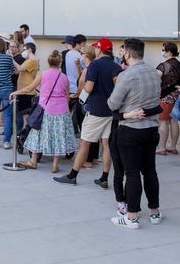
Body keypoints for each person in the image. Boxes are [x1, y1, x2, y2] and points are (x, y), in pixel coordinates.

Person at [107, 38, 162, 229]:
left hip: (131, 129)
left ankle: (132, 217)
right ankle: (154, 212)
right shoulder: (155, 73)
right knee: (149, 170)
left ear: (128, 54)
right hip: (152, 129)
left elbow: (112, 103)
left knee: (131, 173)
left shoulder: (127, 75)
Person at [53, 38, 122, 187]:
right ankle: (104, 178)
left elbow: (89, 87)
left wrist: (81, 97)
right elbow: (118, 88)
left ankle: (72, 176)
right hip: (111, 110)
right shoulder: (116, 66)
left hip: (96, 110)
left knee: (84, 142)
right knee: (106, 144)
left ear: (100, 50)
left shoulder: (95, 65)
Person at [13, 51, 76, 172]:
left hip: (46, 109)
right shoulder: (64, 77)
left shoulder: (43, 74)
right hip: (62, 110)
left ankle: (33, 161)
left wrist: (16, 92)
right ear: (60, 63)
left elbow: (30, 88)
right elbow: (67, 96)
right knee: (59, 136)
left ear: (48, 62)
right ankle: (54, 165)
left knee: (38, 134)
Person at [155, 42, 180, 155]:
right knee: (173, 120)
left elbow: (155, 78)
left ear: (169, 52)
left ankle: (162, 147)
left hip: (166, 95)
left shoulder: (164, 65)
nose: (162, 52)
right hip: (177, 94)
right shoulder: (179, 64)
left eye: (164, 50)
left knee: (163, 121)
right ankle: (173, 147)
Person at [15, 42, 39, 126]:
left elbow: (20, 68)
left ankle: (26, 135)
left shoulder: (32, 61)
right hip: (24, 91)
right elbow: (17, 71)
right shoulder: (28, 61)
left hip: (26, 92)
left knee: (26, 115)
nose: (22, 52)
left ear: (30, 50)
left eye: (24, 50)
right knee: (24, 114)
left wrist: (11, 58)